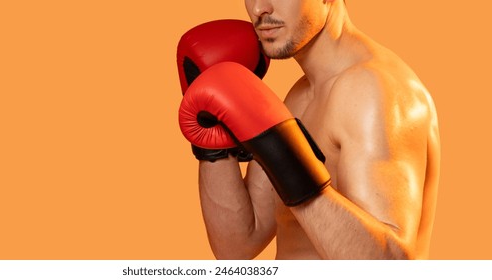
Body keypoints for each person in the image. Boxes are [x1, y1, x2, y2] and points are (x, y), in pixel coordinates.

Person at [179, 0, 440, 259]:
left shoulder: (372, 89)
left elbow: (392, 265)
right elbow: (237, 246)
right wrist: (213, 140)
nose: (260, 9)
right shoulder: (299, 97)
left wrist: (293, 172)